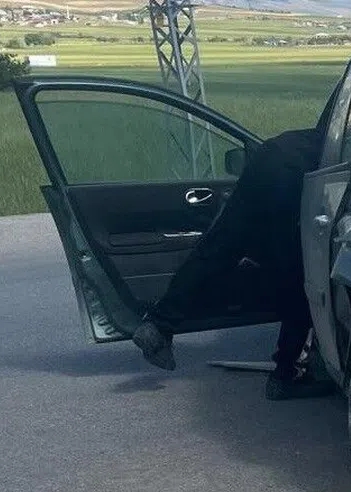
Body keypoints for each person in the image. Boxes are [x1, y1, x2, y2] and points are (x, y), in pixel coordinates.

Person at [130, 128, 334, 401]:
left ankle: (159, 323)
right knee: (299, 275)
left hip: (272, 154)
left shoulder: (344, 112)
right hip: (294, 173)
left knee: (219, 246)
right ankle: (286, 374)